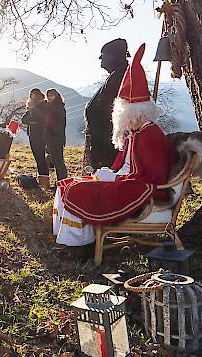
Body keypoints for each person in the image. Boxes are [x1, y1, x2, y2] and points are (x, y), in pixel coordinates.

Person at [50, 43, 175, 248]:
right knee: (68, 184)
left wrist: (116, 178)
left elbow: (152, 177)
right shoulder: (136, 133)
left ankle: (78, 245)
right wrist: (110, 173)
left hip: (141, 189)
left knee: (77, 191)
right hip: (127, 181)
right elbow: (126, 164)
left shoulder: (150, 135)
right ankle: (71, 238)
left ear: (135, 113)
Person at [84, 38, 130, 170]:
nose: (100, 59)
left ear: (113, 57)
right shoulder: (117, 75)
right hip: (104, 139)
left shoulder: (120, 76)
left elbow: (109, 109)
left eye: (103, 55)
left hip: (110, 142)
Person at [21, 88, 49, 189]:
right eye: (30, 95)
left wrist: (33, 120)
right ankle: (42, 178)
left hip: (40, 134)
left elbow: (41, 118)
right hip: (32, 134)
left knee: (40, 157)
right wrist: (33, 120)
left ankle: (45, 179)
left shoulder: (42, 105)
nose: (31, 97)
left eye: (32, 95)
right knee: (38, 157)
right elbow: (24, 119)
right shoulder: (32, 107)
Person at [44, 89, 68, 182]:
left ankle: (62, 181)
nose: (49, 97)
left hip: (56, 138)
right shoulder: (49, 107)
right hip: (50, 138)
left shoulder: (58, 107)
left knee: (59, 162)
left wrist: (53, 131)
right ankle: (60, 181)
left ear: (56, 96)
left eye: (51, 96)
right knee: (56, 161)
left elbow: (61, 123)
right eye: (48, 96)